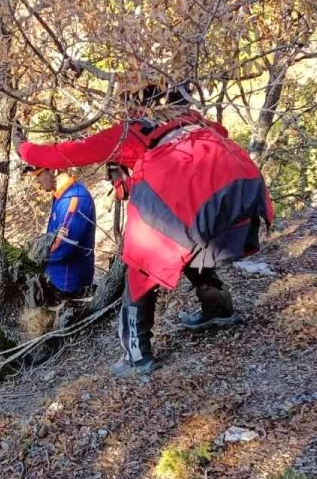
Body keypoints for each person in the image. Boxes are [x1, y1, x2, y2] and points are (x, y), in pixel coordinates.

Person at [18, 89, 273, 376]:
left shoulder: (129, 131)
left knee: (141, 265)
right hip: (246, 192)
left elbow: (65, 153)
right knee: (184, 243)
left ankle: (136, 356)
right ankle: (218, 309)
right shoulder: (187, 117)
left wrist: (24, 149)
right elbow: (220, 131)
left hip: (203, 199)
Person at [26, 168, 96, 305]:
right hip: (56, 280)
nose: (37, 181)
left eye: (39, 175)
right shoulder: (62, 196)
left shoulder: (74, 198)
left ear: (54, 170)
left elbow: (62, 247)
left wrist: (33, 259)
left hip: (68, 286)